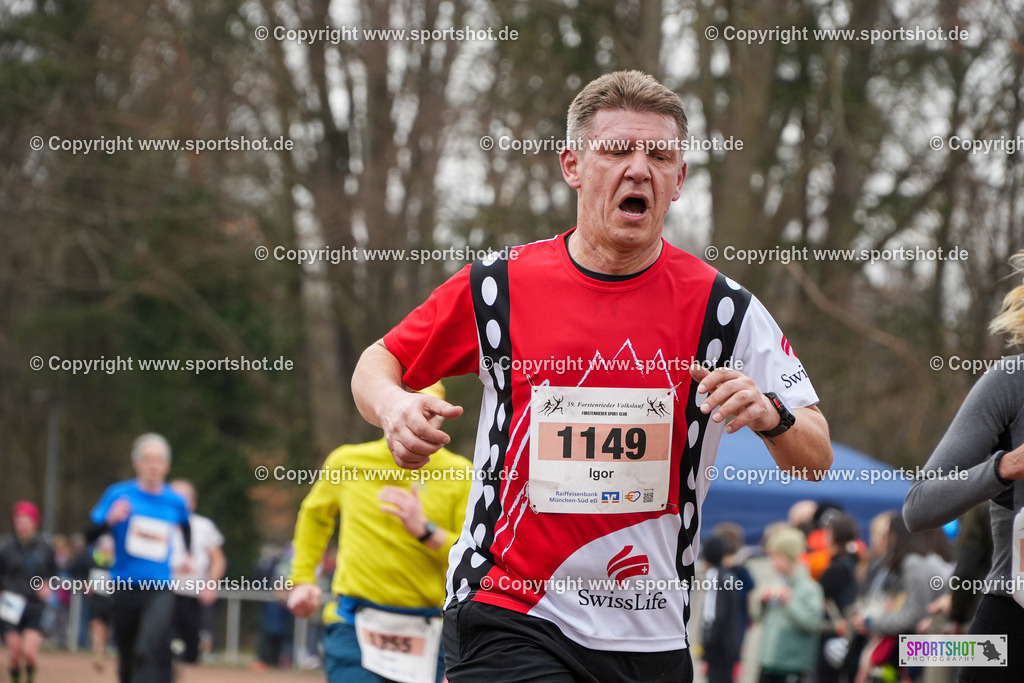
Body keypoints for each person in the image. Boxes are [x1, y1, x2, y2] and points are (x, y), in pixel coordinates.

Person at [351, 70, 833, 682]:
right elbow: (377, 362)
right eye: (617, 150)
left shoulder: (725, 310)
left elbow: (815, 459)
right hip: (510, 608)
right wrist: (393, 407)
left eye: (659, 156)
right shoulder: (499, 286)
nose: (640, 170)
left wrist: (772, 416)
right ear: (572, 165)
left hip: (651, 628)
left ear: (680, 179)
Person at [287, 382, 473, 683]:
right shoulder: (347, 462)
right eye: (412, 411)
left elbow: (471, 555)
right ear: (392, 412)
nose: (420, 424)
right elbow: (315, 517)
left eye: (430, 413)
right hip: (354, 623)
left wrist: (425, 531)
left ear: (442, 417)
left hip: (429, 629)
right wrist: (302, 580)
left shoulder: (462, 473)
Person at [903, 250, 1024, 683]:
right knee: (913, 655)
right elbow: (918, 507)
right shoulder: (1011, 381)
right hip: (1009, 622)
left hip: (963, 617)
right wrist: (1004, 467)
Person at [86, 433, 191, 683]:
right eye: (147, 459)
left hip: (159, 588)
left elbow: (186, 527)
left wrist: (188, 554)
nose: (153, 465)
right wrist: (109, 519)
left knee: (147, 649)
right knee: (127, 655)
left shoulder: (175, 501)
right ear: (136, 464)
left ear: (167, 466)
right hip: (124, 586)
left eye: (159, 460)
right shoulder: (118, 494)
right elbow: (88, 535)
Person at [851, 516, 949, 683]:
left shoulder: (913, 565)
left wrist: (872, 622)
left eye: (886, 536)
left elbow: (915, 615)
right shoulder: (919, 562)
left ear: (895, 537)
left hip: (925, 647)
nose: (882, 542)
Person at [754, 526, 823, 683]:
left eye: (776, 557)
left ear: (789, 556)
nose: (772, 563)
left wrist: (789, 602)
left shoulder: (810, 588)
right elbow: (758, 618)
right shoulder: (778, 584)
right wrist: (762, 602)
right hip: (768, 663)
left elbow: (813, 623)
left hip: (792, 667)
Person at [168, 479, 226, 665]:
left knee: (191, 650)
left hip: (193, 594)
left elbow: (218, 559)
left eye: (185, 497)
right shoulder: (159, 522)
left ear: (193, 502)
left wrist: (211, 584)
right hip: (162, 591)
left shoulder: (203, 526)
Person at [0, 502, 56, 683]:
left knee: (29, 653)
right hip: (11, 605)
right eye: (18, 520)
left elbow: (54, 574)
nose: (22, 525)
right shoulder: (7, 549)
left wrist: (48, 586)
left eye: (26, 521)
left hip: (35, 605)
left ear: (34, 522)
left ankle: (30, 677)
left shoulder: (45, 548)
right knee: (14, 654)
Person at [698, 535, 744, 683]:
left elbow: (711, 615)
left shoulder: (713, 576)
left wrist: (705, 647)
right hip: (730, 643)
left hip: (718, 648)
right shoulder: (729, 575)